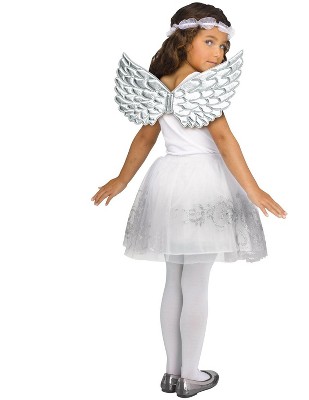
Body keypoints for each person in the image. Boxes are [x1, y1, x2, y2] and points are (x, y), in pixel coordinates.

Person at [91, 2, 287, 397]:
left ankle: (172, 371)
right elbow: (224, 140)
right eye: (210, 42)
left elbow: (146, 137)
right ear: (184, 42)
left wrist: (123, 179)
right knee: (196, 284)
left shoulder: (160, 83)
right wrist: (254, 190)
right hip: (203, 185)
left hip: (167, 183)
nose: (219, 53)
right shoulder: (201, 89)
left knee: (174, 281)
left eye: (223, 46)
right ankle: (191, 374)